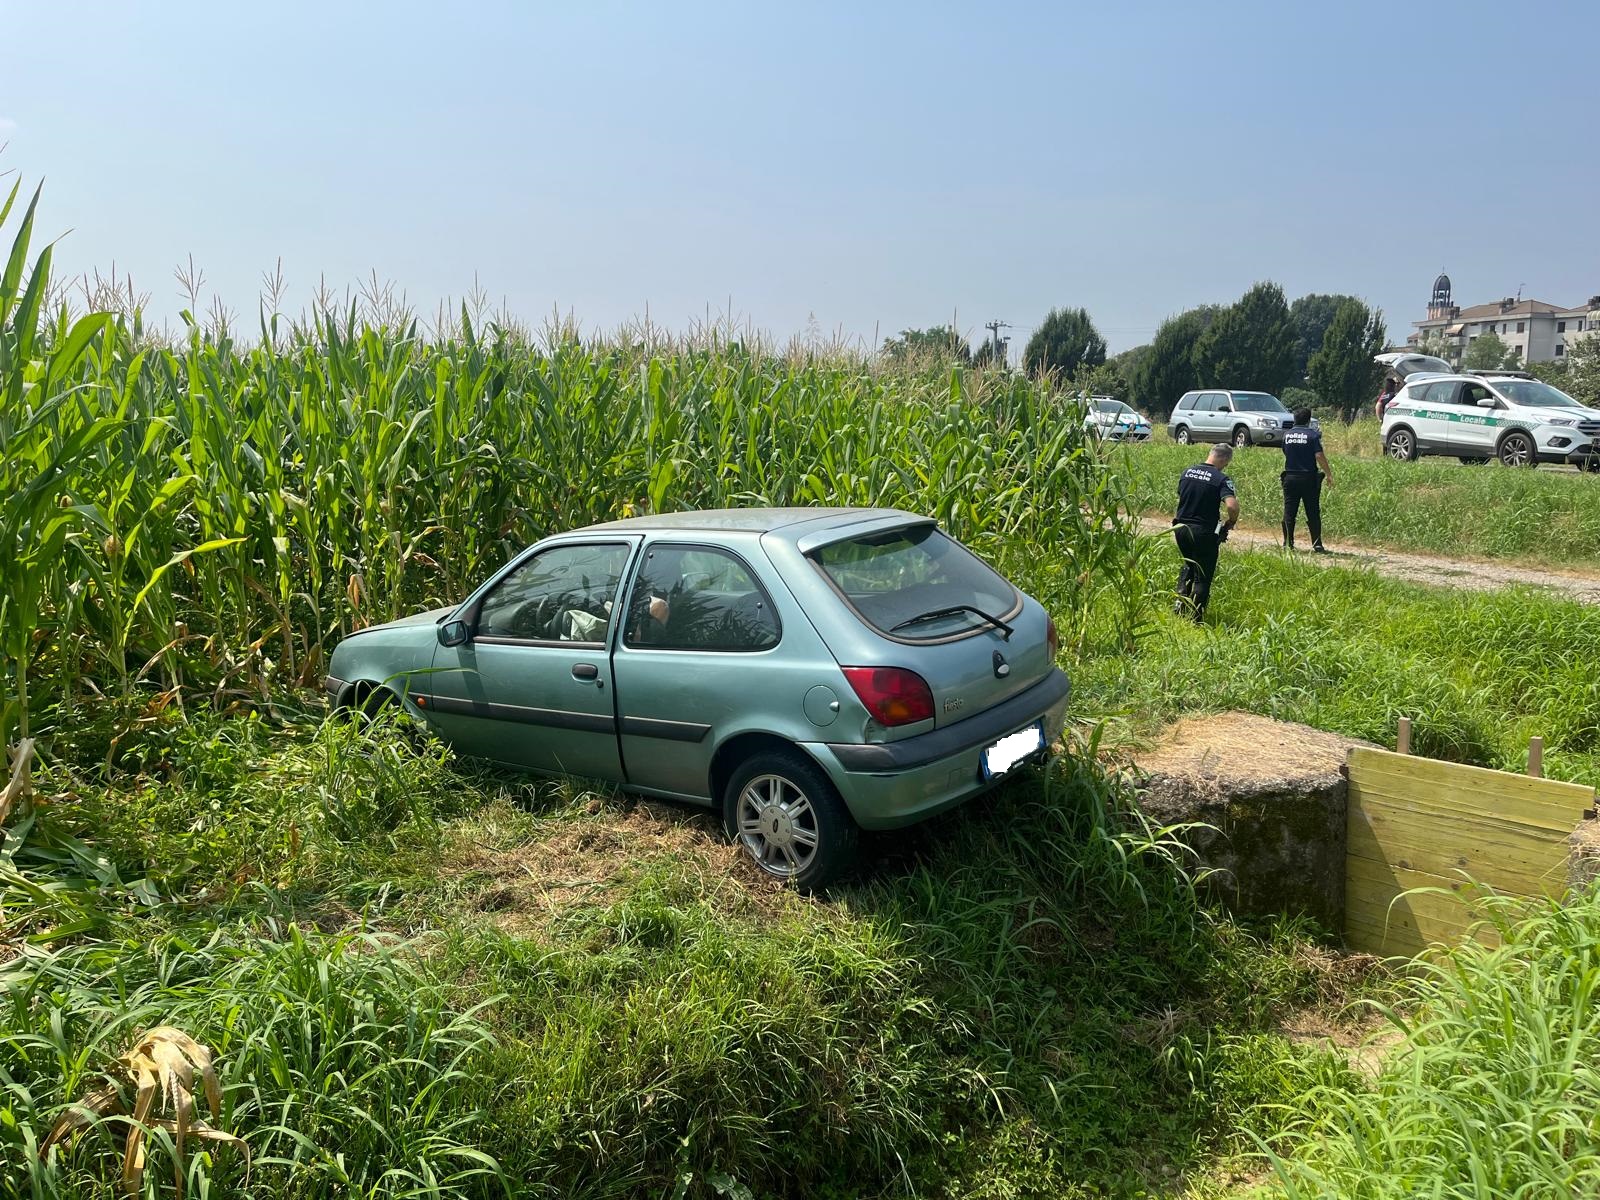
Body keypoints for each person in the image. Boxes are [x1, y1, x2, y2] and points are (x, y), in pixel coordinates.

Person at [1171, 444, 1239, 622]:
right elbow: (1231, 505)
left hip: (1180, 528)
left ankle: (1179, 607)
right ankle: (1196, 618)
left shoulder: (1187, 472)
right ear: (1224, 459)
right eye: (1226, 463)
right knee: (1203, 575)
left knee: (1188, 565)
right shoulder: (1221, 479)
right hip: (1203, 531)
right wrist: (1231, 522)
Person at [1280, 407, 1334, 553]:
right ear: (1309, 420)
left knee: (1290, 511)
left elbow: (1285, 451)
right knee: (1313, 511)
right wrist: (1328, 474)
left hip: (1290, 477)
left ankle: (1287, 543)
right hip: (1308, 477)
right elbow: (1319, 456)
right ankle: (1317, 544)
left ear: (1294, 419)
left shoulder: (1287, 435)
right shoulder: (1313, 435)